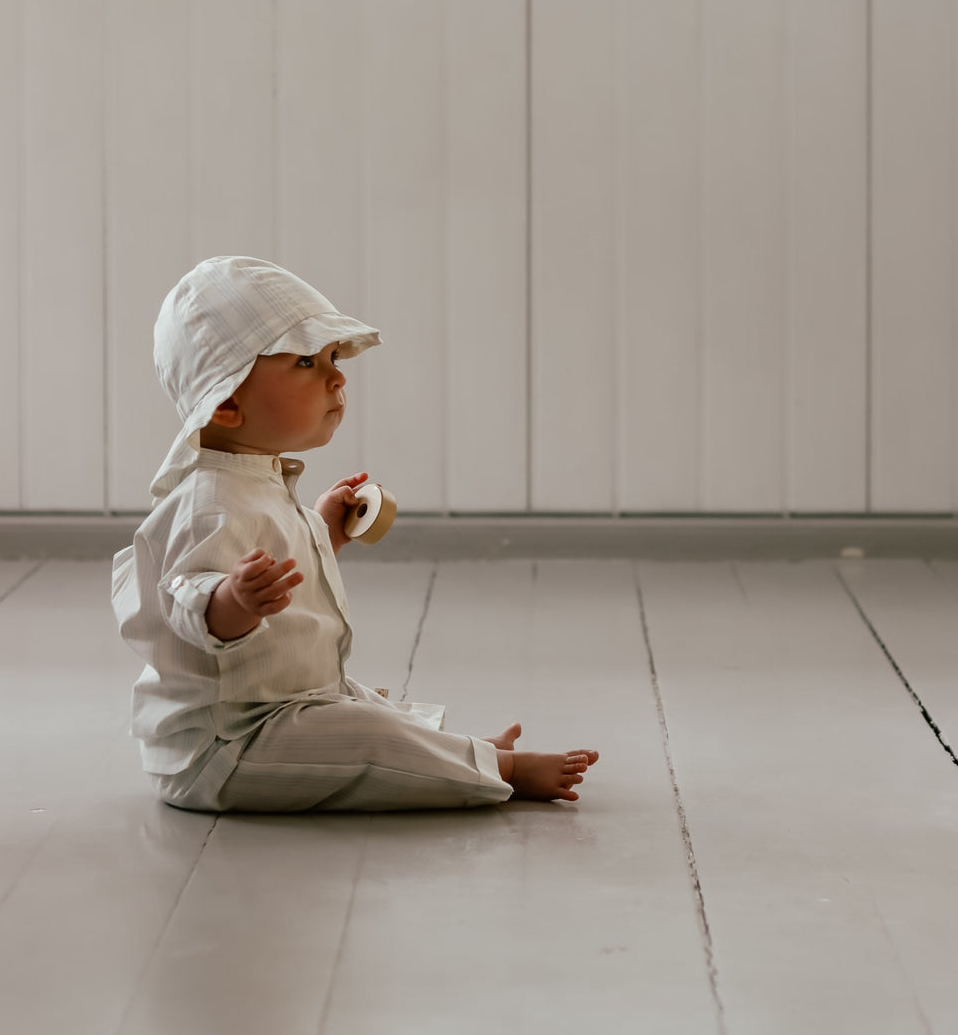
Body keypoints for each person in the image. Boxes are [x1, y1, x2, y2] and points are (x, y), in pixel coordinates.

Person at [112, 256, 598, 813]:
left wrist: (323, 531)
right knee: (367, 736)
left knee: (362, 707)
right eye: (305, 362)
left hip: (285, 704)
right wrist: (233, 602)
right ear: (225, 403)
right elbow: (185, 606)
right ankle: (501, 768)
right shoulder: (206, 505)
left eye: (333, 358)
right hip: (227, 745)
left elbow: (280, 558)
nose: (337, 376)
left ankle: (456, 752)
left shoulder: (257, 480)